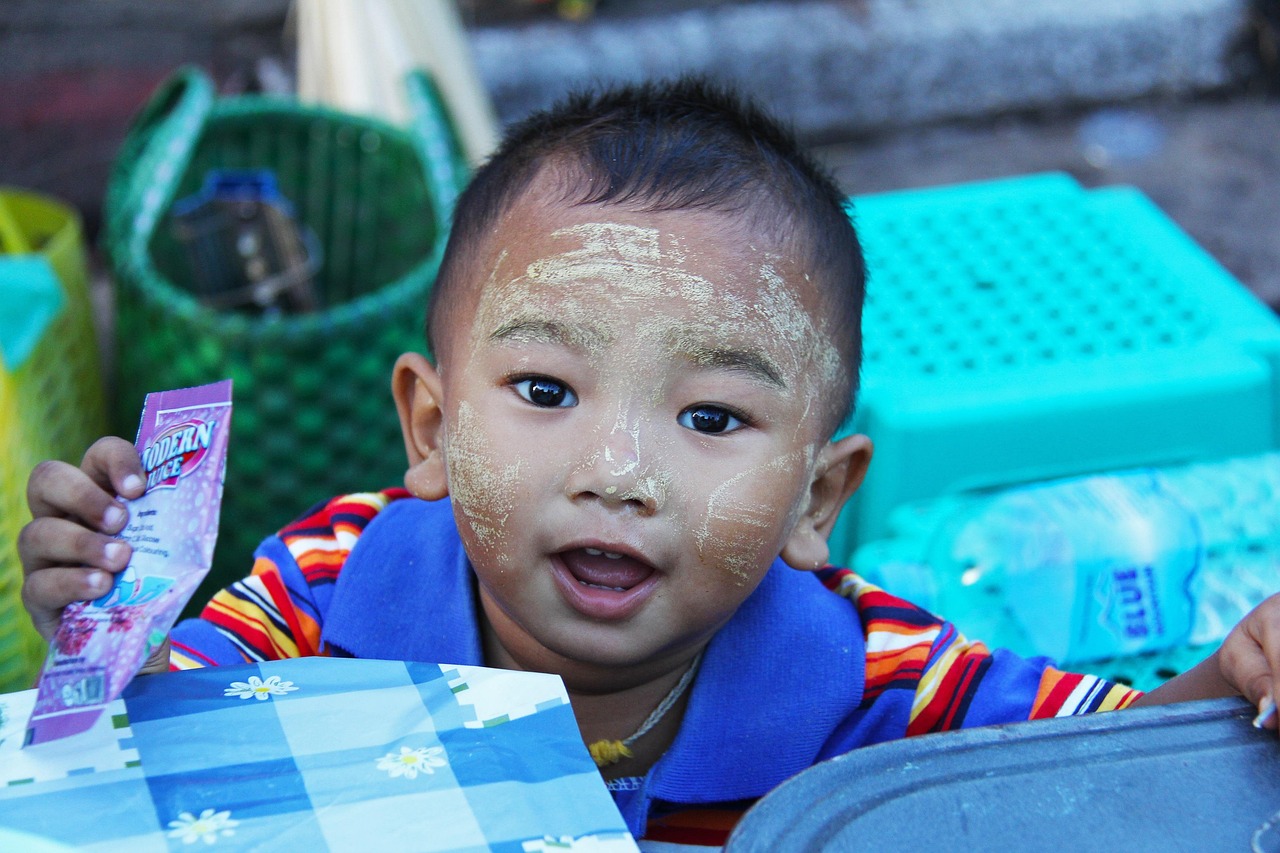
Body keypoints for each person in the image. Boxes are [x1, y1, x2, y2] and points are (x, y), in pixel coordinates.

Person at [19, 78, 1280, 845]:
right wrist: (99, 626)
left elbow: (1090, 778)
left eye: (712, 419)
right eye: (545, 390)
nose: (618, 469)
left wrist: (1230, 673)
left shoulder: (879, 680)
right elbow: (155, 751)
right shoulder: (324, 585)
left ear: (816, 498)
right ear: (429, 429)